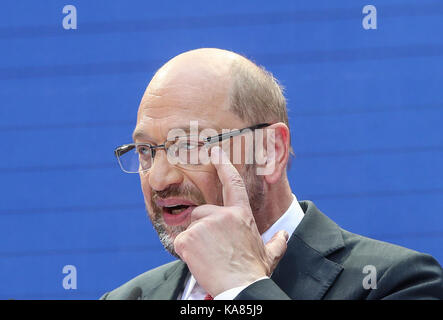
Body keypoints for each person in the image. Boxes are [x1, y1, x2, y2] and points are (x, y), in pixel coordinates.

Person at [101, 48, 443, 300]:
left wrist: (243, 286)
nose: (159, 179)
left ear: (269, 151)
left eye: (188, 146)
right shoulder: (126, 298)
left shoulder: (398, 283)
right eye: (146, 151)